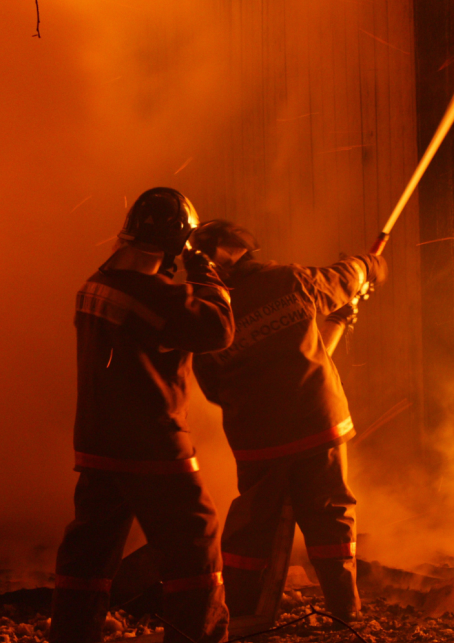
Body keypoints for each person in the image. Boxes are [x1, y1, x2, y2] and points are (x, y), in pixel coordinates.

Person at [50, 188, 234, 643]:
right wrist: (205, 272)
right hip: (153, 446)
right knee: (196, 543)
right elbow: (218, 329)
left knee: (89, 554)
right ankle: (198, 637)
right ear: (176, 244)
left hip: (99, 443)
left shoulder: (95, 283)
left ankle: (73, 635)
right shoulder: (155, 296)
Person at [189, 220, 386, 623]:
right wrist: (369, 265)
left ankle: (241, 612)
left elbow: (212, 388)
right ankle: (345, 610)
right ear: (245, 250)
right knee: (331, 516)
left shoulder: (206, 314)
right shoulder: (289, 281)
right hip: (317, 425)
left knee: (251, 528)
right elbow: (344, 277)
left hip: (258, 439)